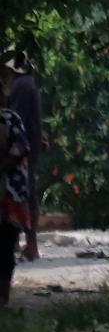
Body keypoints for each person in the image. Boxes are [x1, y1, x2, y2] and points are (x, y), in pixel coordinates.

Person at [5, 51, 42, 261]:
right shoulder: (29, 84)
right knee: (26, 193)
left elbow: (14, 120)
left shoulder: (21, 86)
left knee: (21, 194)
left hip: (20, 150)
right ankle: (25, 243)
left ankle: (30, 244)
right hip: (29, 146)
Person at [0, 66, 32, 305]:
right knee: (5, 249)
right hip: (11, 196)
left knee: (6, 248)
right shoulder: (11, 119)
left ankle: (3, 299)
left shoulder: (10, 119)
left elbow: (18, 152)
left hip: (9, 196)